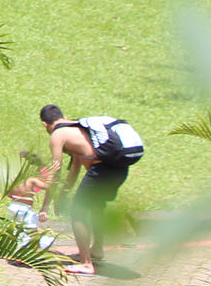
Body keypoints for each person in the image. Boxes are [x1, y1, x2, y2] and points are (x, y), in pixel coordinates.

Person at [35, 105, 144, 275]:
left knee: (78, 211)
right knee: (96, 207)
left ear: (45, 124)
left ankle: (86, 263)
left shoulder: (57, 135)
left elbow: (55, 172)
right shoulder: (80, 128)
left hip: (101, 171)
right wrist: (62, 196)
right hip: (119, 169)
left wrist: (45, 206)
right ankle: (97, 251)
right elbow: (74, 171)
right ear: (63, 117)